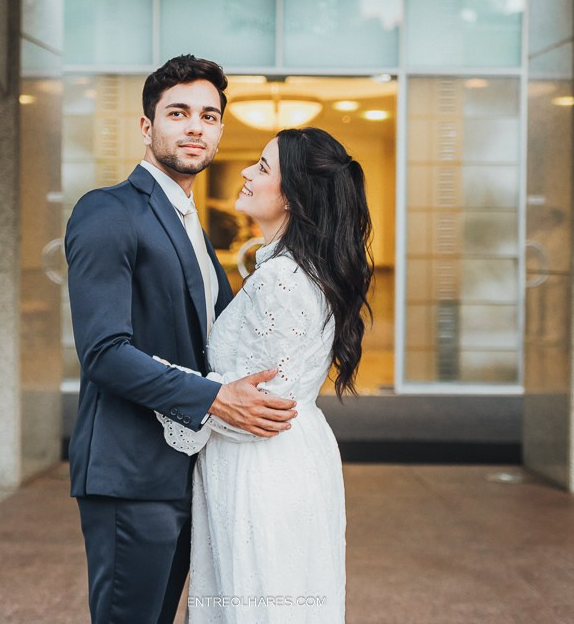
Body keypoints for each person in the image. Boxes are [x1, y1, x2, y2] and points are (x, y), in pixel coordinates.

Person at [64, 55, 298, 623]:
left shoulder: (193, 221)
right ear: (148, 128)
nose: (195, 127)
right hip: (131, 472)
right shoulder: (108, 211)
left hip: (190, 470)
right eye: (178, 113)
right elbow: (103, 353)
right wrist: (217, 399)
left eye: (209, 116)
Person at [155, 127, 374, 622]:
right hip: (288, 455)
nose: (247, 173)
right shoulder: (297, 267)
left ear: (293, 196)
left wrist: (153, 380)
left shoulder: (282, 279)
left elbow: (254, 408)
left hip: (260, 465)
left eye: (262, 167)